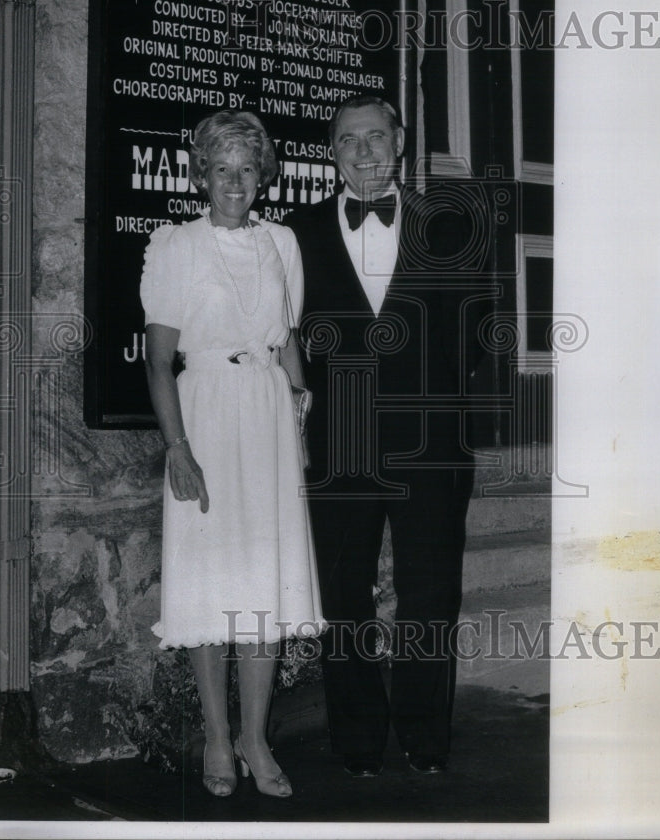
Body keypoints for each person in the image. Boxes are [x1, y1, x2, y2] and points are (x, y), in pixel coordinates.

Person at [285, 95, 480, 778]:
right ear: (331, 152)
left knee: (431, 593)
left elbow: (477, 335)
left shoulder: (448, 225)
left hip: (430, 442)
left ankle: (426, 738)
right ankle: (359, 741)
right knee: (344, 594)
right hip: (337, 443)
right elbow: (283, 335)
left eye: (375, 137)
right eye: (347, 141)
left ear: (399, 141)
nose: (364, 152)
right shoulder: (296, 233)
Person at [140, 110, 324, 799]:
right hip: (207, 414)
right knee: (210, 582)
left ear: (263, 175)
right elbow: (160, 361)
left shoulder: (282, 241)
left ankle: (256, 736)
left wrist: (299, 414)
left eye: (249, 168)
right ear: (201, 175)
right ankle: (218, 737)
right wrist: (177, 448)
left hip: (269, 415)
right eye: (222, 168)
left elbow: (291, 340)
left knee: (264, 582)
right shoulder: (173, 244)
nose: (236, 182)